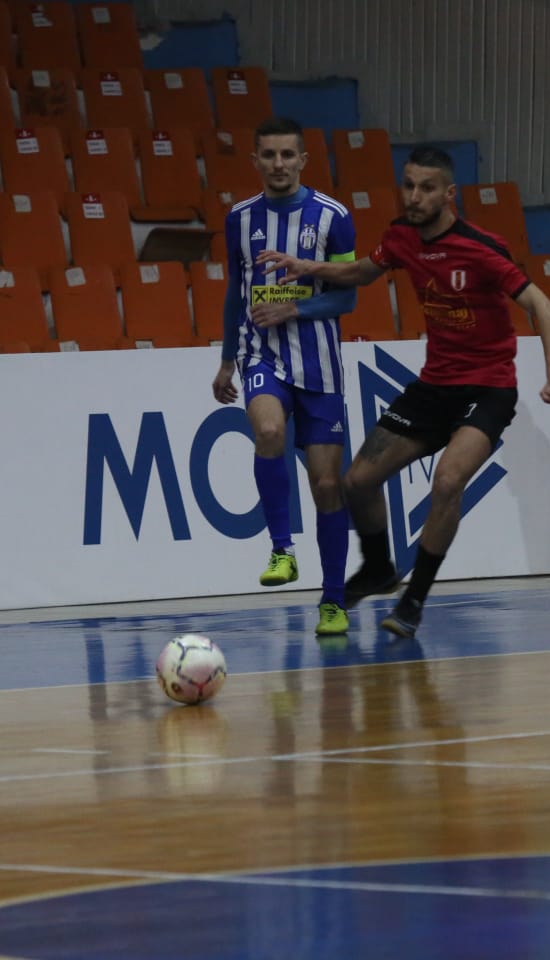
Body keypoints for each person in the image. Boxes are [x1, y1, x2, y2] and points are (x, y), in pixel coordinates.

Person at [259, 146, 550, 638]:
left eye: (426, 187)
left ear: (449, 194)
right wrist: (311, 268)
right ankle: (378, 569)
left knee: (448, 481)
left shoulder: (481, 246)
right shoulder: (401, 237)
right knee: (357, 482)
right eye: (408, 184)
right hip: (434, 386)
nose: (414, 195)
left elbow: (541, 305)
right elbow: (364, 273)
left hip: (488, 388)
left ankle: (414, 600)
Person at [211, 116, 358, 637]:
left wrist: (294, 310)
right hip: (261, 357)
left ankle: (334, 600)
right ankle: (282, 550)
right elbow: (236, 291)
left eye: (286, 155)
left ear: (303, 160)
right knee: (269, 431)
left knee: (325, 485)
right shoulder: (239, 219)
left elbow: (348, 295)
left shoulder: (334, 217)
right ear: (255, 161)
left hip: (319, 365)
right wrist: (228, 358)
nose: (278, 164)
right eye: (268, 155)